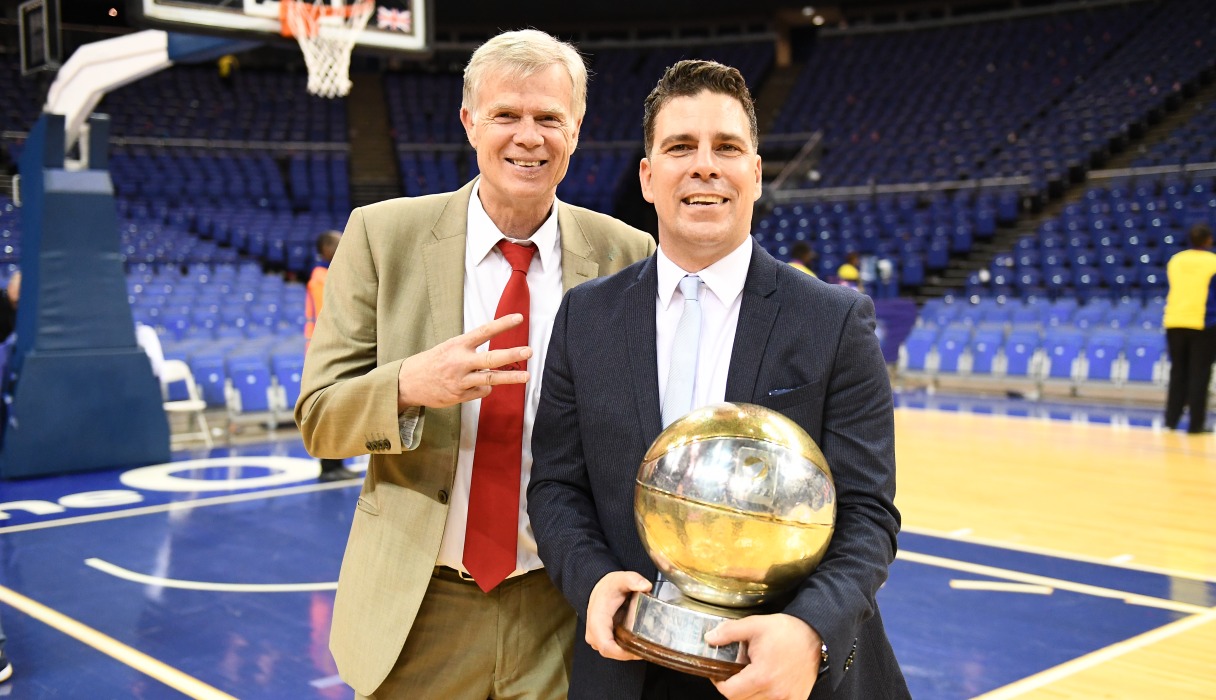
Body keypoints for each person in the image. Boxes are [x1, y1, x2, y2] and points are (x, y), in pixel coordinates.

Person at [528, 60, 909, 700]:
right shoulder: (586, 317)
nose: (704, 166)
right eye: (680, 147)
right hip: (626, 669)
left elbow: (868, 511)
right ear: (648, 177)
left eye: (726, 147)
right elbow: (557, 486)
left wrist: (810, 630)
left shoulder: (834, 320)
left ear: (755, 174)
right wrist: (591, 581)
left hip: (783, 676)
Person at [295, 29, 655, 700]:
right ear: (469, 122)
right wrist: (408, 386)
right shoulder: (381, 236)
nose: (529, 137)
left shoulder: (627, 253)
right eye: (506, 115)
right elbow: (319, 419)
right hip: (422, 606)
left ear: (576, 130)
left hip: (563, 606)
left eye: (549, 117)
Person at [304, 230, 359, 482]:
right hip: (325, 351)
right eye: (338, 244)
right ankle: (328, 467)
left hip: (335, 349)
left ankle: (337, 463)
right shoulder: (320, 278)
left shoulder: (331, 274)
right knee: (330, 411)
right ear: (326, 249)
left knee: (341, 410)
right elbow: (328, 315)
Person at [1163, 222, 1216, 434]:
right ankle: (1196, 424)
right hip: (1202, 322)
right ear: (1208, 240)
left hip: (1174, 320)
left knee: (1178, 373)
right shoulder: (1213, 261)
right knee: (1199, 374)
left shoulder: (1176, 260)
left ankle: (1171, 421)